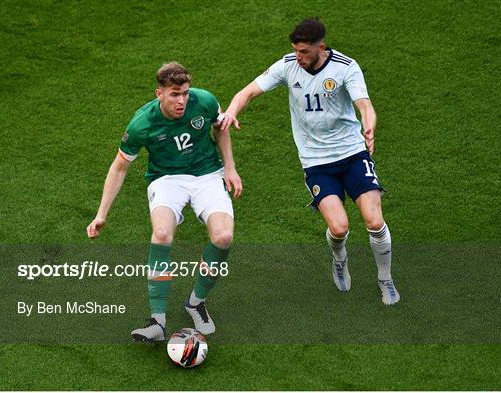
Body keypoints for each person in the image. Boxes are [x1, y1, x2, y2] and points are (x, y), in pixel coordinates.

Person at [220, 18, 399, 305]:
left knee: (375, 221)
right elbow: (248, 92)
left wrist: (369, 127)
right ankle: (339, 257)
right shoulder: (288, 65)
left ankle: (385, 279)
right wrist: (231, 111)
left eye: (304, 52)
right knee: (339, 228)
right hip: (316, 162)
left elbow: (364, 105)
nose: (298, 57)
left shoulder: (345, 67)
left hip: (352, 153)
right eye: (296, 50)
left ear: (321, 47)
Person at [87, 62, 243, 342]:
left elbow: (221, 128)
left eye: (184, 92)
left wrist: (230, 167)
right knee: (161, 234)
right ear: (159, 93)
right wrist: (101, 214)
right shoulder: (142, 123)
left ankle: (196, 302)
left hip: (208, 174)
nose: (181, 100)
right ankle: (157, 322)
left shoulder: (204, 100)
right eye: (174, 94)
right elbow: (119, 168)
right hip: (166, 178)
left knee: (223, 237)